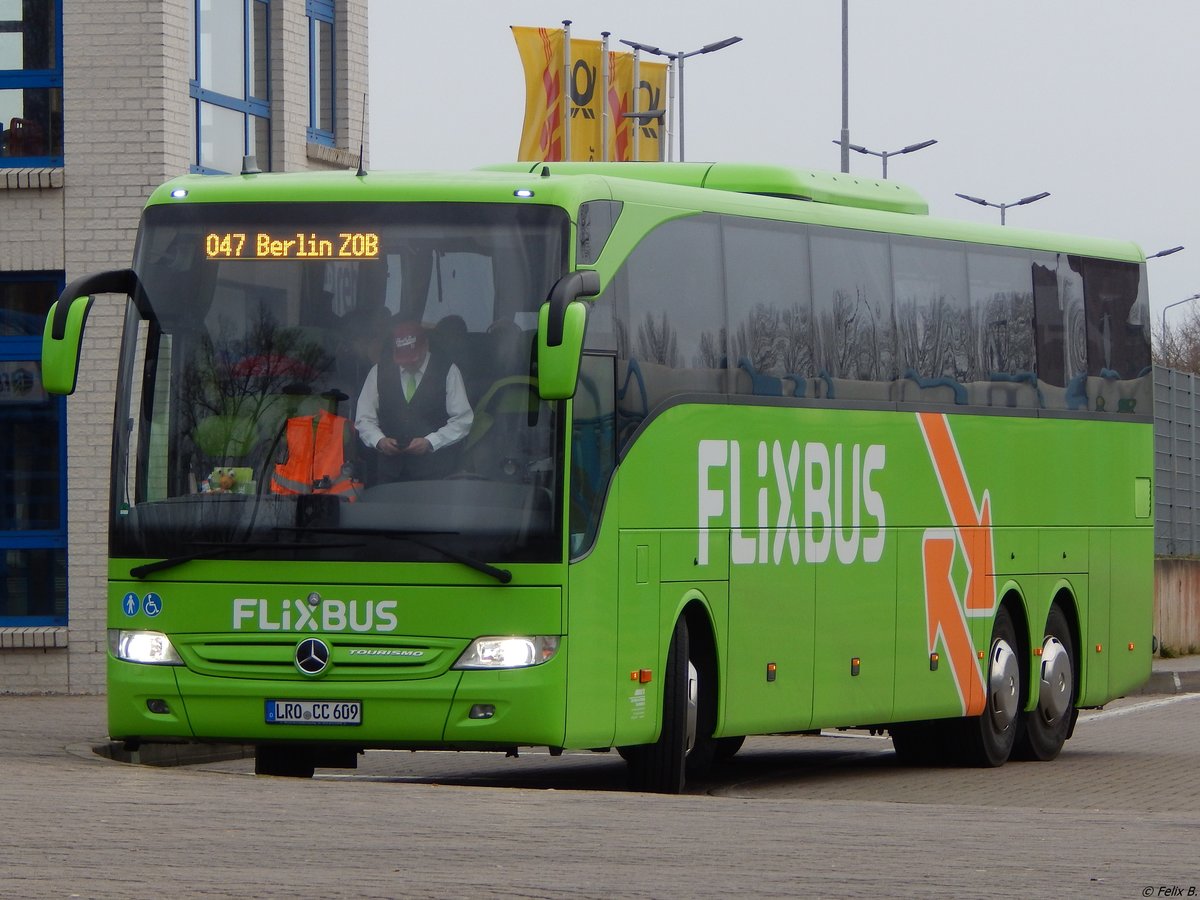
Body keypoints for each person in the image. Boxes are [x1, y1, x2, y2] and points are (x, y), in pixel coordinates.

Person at [355, 320, 473, 481]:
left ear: (426, 346)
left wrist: (431, 442)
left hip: (434, 474)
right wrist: (379, 440)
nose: (409, 363)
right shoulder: (378, 371)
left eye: (414, 358)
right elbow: (364, 419)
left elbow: (462, 420)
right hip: (388, 475)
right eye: (403, 359)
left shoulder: (447, 370)